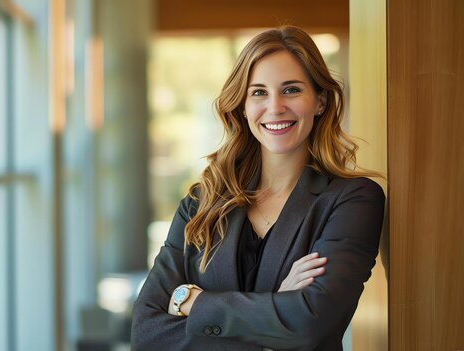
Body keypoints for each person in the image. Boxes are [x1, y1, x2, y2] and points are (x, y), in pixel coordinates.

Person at [130, 26, 385, 351]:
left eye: (291, 90)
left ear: (319, 101)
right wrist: (276, 305)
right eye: (259, 92)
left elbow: (309, 326)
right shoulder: (201, 202)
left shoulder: (352, 201)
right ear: (243, 106)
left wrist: (194, 304)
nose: (275, 106)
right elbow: (147, 333)